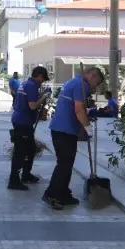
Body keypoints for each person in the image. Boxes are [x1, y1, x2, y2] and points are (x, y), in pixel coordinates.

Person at [44, 67, 105, 209]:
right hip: (64, 130)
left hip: (61, 129)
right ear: (91, 76)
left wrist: (87, 113)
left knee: (67, 164)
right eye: (97, 82)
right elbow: (78, 110)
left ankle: (64, 194)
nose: (95, 87)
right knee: (64, 165)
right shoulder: (81, 85)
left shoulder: (72, 82)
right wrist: (87, 127)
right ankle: (51, 194)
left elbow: (76, 107)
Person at [9, 66, 51, 191]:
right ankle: (14, 180)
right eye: (42, 78)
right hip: (23, 122)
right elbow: (32, 106)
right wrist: (45, 96)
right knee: (20, 152)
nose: (42, 81)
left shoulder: (25, 84)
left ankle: (26, 175)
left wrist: (41, 95)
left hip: (21, 119)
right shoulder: (32, 86)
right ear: (38, 75)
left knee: (31, 149)